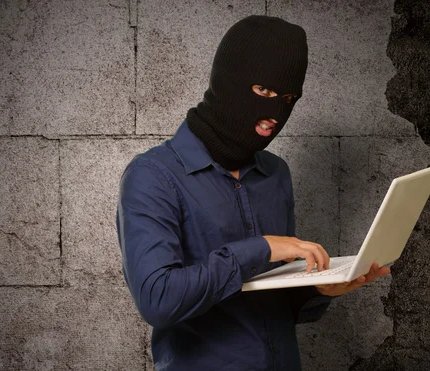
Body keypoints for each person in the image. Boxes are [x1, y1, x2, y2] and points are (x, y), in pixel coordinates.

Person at [115, 15, 390, 370]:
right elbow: (157, 301)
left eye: (288, 98)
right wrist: (261, 248)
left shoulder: (275, 174)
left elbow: (272, 300)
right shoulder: (152, 176)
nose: (274, 113)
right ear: (227, 81)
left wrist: (319, 290)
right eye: (264, 91)